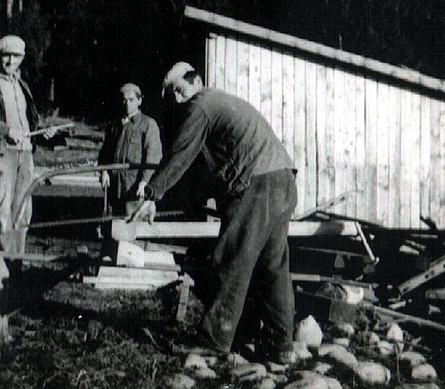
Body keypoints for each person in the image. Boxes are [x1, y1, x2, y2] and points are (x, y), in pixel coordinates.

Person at [130, 62, 298, 364]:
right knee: (273, 267)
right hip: (283, 180)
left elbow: (181, 153)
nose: (178, 100)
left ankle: (213, 342)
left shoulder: (201, 106)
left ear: (196, 81)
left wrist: (153, 194)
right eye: (172, 96)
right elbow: (204, 171)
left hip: (258, 185)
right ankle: (281, 346)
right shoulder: (223, 102)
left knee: (231, 260)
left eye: (180, 91)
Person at [0, 34, 55, 339]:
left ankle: (10, 308)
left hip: (24, 160)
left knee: (20, 227)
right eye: (6, 56)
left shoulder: (22, 85)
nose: (11, 62)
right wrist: (6, 131)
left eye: (17, 57)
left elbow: (30, 124)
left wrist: (44, 134)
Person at [97, 83, 162, 216]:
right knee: (115, 225)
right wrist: (104, 171)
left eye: (131, 100)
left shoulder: (148, 124)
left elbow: (153, 156)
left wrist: (144, 182)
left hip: (134, 186)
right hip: (115, 185)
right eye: (124, 100)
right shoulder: (114, 125)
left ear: (139, 100)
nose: (127, 104)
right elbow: (105, 152)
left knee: (135, 224)